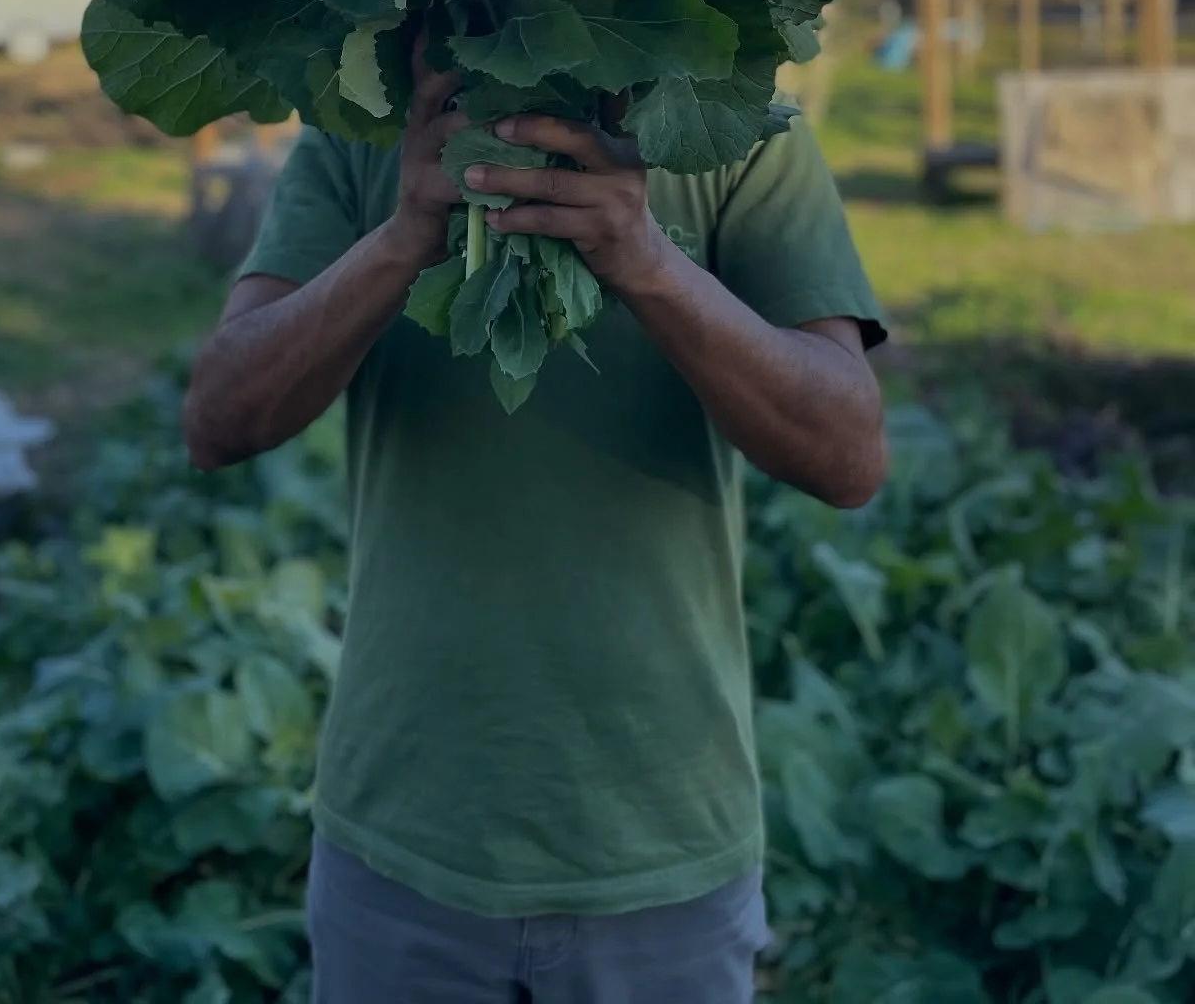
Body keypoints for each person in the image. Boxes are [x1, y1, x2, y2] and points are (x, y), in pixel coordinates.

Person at [183, 49, 888, 1004]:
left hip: (660, 842)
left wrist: (646, 260)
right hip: (403, 843)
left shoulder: (730, 120)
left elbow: (848, 452)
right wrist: (402, 237)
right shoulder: (361, 123)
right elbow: (221, 417)